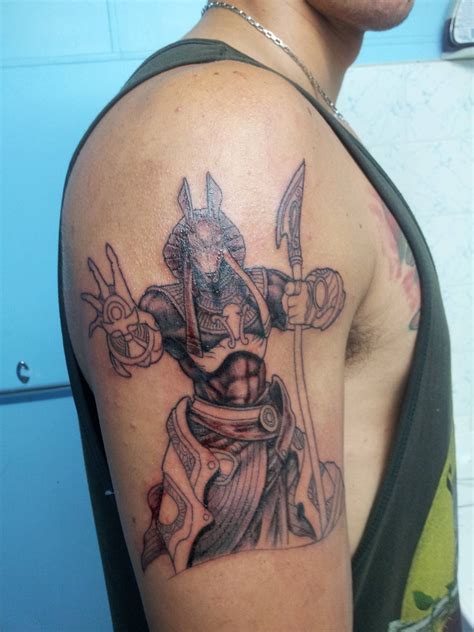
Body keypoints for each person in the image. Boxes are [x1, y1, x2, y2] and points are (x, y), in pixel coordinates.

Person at [59, 1, 461, 630]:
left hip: (277, 436)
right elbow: (144, 338)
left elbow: (304, 296)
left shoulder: (294, 121)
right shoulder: (222, 126)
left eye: (215, 237)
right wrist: (132, 337)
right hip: (216, 442)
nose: (208, 247)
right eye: (196, 241)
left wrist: (313, 296)